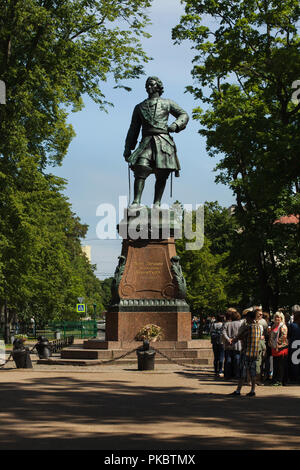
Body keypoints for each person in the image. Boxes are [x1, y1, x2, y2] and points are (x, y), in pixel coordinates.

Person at [123, 76, 189, 208]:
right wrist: (128, 147)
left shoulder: (167, 103)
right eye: (147, 85)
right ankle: (136, 201)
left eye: (151, 85)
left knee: (162, 172)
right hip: (146, 142)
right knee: (140, 167)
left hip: (163, 141)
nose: (148, 87)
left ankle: (157, 203)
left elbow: (184, 115)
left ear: (158, 87)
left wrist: (176, 125)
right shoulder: (139, 107)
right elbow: (133, 128)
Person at [229, 309, 262, 397]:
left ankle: (238, 390)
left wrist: (233, 340)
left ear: (249, 318)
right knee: (253, 373)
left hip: (246, 352)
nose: (246, 319)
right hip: (255, 353)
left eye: (246, 317)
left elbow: (240, 336)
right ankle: (252, 390)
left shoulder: (249, 327)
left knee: (242, 372)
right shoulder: (258, 327)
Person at [268, 311, 289, 386]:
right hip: (274, 348)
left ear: (281, 318)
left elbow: (284, 336)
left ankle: (280, 380)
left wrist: (277, 343)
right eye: (276, 317)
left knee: (281, 365)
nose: (277, 318)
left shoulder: (283, 326)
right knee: (275, 365)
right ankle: (275, 379)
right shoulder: (273, 325)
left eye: (279, 317)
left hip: (281, 348)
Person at [222, 308, 242, 380]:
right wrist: (235, 339)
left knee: (228, 360)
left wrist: (228, 339)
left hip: (228, 344)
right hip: (237, 344)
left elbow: (223, 332)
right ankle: (236, 375)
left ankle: (227, 375)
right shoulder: (240, 324)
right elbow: (240, 333)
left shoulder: (227, 324)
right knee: (237, 359)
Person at [288, 309, 300, 383]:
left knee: (294, 363)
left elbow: (288, 336)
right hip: (296, 346)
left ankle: (294, 378)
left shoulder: (292, 325)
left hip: (294, 346)